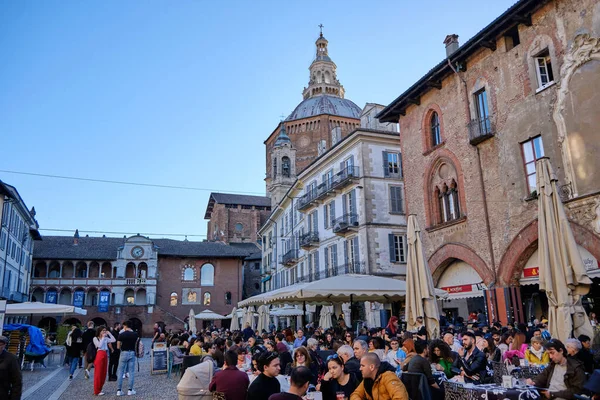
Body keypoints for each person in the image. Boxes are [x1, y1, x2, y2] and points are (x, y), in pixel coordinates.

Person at [116, 320, 137, 396]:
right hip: (132, 352)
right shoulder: (135, 334)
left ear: (125, 326)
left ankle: (119, 390)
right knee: (131, 372)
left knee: (120, 371)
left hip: (123, 353)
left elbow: (118, 347)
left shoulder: (121, 335)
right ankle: (130, 390)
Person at [93, 326, 116, 396]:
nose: (104, 332)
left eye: (105, 330)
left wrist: (109, 333)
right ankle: (96, 390)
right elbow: (99, 346)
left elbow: (113, 340)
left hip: (105, 354)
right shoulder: (95, 338)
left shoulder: (106, 338)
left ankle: (100, 389)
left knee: (103, 373)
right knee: (98, 373)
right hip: (99, 354)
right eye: (103, 330)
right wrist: (103, 338)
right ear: (99, 331)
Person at [0, 335, 22, 400]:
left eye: (0, 345)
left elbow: (17, 381)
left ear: (4, 345)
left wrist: (14, 398)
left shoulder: (12, 359)